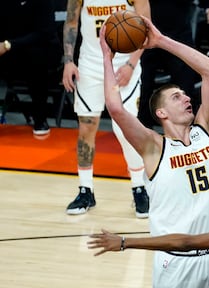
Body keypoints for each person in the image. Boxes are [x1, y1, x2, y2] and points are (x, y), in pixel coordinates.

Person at [99, 15, 209, 288]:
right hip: (177, 265)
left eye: (185, 94)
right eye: (177, 97)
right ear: (162, 114)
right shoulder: (154, 147)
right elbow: (115, 108)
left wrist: (160, 41)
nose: (186, 98)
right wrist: (107, 55)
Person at [61, 0, 150, 217]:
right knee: (87, 127)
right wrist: (68, 61)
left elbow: (146, 28)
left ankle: (139, 187)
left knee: (125, 129)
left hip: (124, 65)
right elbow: (71, 22)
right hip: (90, 65)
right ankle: (86, 190)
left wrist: (130, 64)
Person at [0, 0, 62, 135]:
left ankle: (40, 119)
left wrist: (8, 45)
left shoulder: (43, 2)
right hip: (13, 51)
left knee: (35, 59)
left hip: (43, 50)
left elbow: (44, 33)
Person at [138, 0, 198, 129]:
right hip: (146, 35)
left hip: (178, 34)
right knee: (142, 90)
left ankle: (189, 135)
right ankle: (143, 136)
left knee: (185, 89)